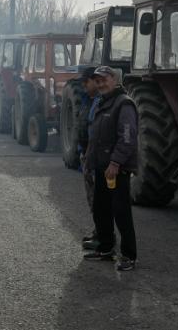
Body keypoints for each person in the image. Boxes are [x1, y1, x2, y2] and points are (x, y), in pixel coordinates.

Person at [83, 66, 138, 272]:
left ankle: (129, 256)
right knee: (101, 209)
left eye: (104, 80)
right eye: (97, 81)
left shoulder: (124, 104)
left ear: (114, 79)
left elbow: (127, 138)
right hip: (101, 167)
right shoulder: (102, 103)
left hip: (117, 169)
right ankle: (106, 249)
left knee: (121, 212)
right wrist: (89, 163)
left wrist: (115, 163)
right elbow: (95, 137)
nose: (100, 84)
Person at [75, 66, 101, 250]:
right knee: (92, 199)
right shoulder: (86, 100)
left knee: (100, 199)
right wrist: (80, 151)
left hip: (97, 159)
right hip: (87, 157)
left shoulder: (101, 102)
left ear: (95, 81)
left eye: (86, 81)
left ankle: (103, 235)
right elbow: (81, 126)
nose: (83, 85)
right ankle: (98, 230)